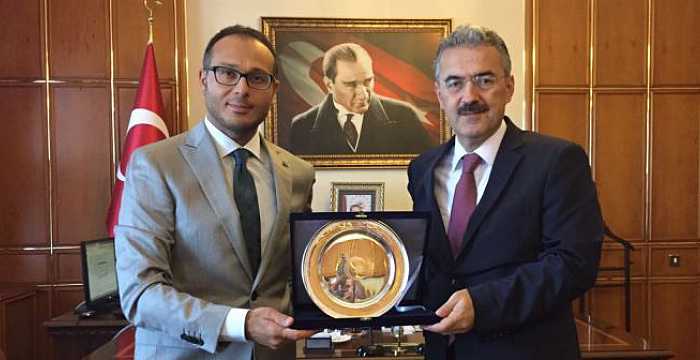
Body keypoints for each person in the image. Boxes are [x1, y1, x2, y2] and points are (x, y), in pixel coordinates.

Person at [115, 25, 315, 359]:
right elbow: (140, 292)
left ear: (274, 88)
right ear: (204, 79)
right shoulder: (155, 165)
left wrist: (342, 291)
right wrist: (242, 323)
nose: (241, 89)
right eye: (227, 73)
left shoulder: (298, 173)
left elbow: (300, 275)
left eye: (257, 77)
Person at [407, 24, 603, 359]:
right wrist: (369, 292)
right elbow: (431, 265)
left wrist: (482, 305)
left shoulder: (557, 160)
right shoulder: (423, 169)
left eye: (485, 80)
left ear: (509, 87)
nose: (469, 97)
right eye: (455, 83)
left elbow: (574, 264)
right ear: (439, 94)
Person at [289, 43, 435, 155]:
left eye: (367, 81)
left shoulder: (405, 117)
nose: (363, 93)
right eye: (351, 84)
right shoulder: (302, 127)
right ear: (329, 85)